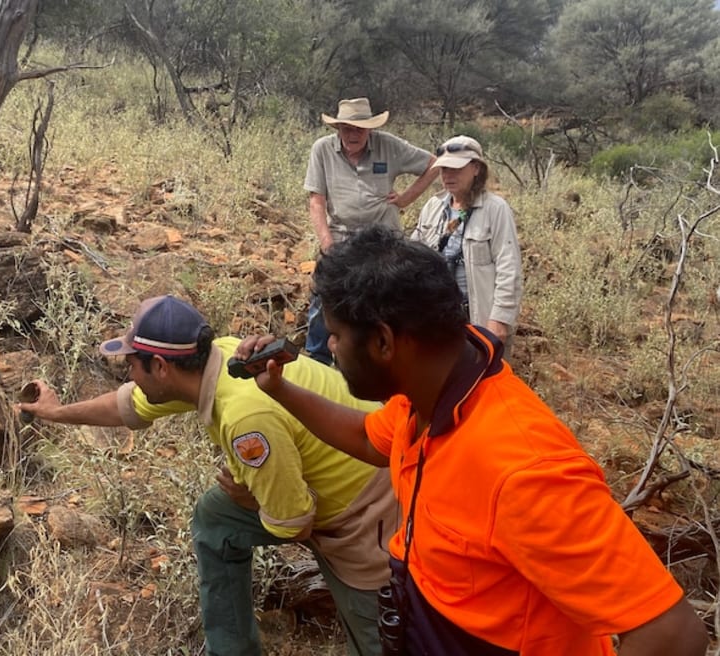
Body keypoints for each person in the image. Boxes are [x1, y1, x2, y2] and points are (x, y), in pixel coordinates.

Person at [235, 227, 708, 656]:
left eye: (336, 336)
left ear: (383, 342)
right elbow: (369, 438)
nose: (331, 349)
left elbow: (672, 634)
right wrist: (279, 389)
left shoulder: (523, 468)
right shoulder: (424, 395)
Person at [16, 295, 398, 656]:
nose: (128, 373)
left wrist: (253, 500)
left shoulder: (245, 418)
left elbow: (295, 523)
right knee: (217, 517)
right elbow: (129, 405)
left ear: (161, 368)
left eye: (132, 364)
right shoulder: (220, 356)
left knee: (379, 639)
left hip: (367, 507)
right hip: (310, 480)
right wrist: (57, 412)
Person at [303, 97, 438, 365]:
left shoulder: (389, 146)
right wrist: (327, 243)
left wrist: (406, 198)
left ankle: (378, 362)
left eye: (359, 129)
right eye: (347, 129)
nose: (353, 135)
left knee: (385, 300)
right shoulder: (322, 149)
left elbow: (434, 164)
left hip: (382, 240)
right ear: (338, 128)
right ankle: (316, 358)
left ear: (370, 129)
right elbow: (316, 200)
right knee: (324, 295)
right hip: (341, 235)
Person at [410, 135, 522, 350]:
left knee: (485, 381)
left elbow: (509, 268)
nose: (448, 176)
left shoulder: (495, 209)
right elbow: (415, 259)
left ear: (476, 169)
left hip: (479, 319)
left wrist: (499, 320)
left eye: (456, 169)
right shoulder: (433, 207)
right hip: (437, 318)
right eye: (444, 169)